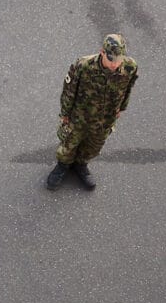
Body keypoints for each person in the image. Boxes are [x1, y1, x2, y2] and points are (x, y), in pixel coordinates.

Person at [47, 34, 137, 191]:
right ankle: (63, 166)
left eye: (118, 59)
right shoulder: (83, 65)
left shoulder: (130, 67)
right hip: (79, 117)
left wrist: (121, 108)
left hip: (105, 120)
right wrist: (65, 115)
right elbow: (69, 91)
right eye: (111, 59)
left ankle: (81, 165)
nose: (115, 64)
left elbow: (128, 88)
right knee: (69, 145)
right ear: (102, 52)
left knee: (94, 147)